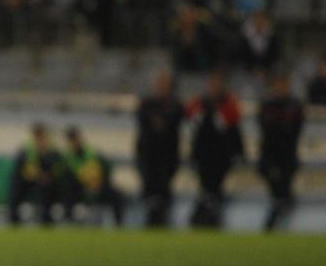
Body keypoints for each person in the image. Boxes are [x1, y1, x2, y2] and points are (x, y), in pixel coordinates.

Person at [187, 70, 244, 228]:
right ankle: (207, 217)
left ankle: (208, 217)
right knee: (207, 188)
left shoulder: (229, 105)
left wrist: (237, 153)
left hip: (221, 156)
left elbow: (233, 131)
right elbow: (194, 123)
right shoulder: (201, 104)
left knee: (213, 188)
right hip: (203, 154)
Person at [135, 69, 184, 227]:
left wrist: (159, 121)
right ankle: (151, 217)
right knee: (149, 187)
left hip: (167, 155)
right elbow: (144, 120)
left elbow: (172, 121)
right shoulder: (146, 103)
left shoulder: (175, 104)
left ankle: (163, 218)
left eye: (164, 84)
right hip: (148, 155)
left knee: (164, 188)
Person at [257, 72, 305, 231]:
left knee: (283, 183)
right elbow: (266, 130)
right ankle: (281, 203)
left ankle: (279, 209)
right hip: (271, 154)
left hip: (287, 154)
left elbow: (294, 130)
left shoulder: (294, 105)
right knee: (275, 181)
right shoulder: (268, 105)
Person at [60, 126, 124, 226]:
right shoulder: (68, 157)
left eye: (75, 138)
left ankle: (118, 224)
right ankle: (70, 221)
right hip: (80, 187)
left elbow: (105, 169)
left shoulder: (91, 152)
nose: (75, 142)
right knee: (67, 190)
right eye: (72, 140)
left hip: (99, 184)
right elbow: (69, 175)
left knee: (117, 195)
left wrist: (98, 182)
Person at [7, 123, 64, 226]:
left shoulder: (52, 149)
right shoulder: (27, 148)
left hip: (46, 182)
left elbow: (58, 167)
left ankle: (45, 218)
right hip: (29, 180)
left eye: (41, 134)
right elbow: (23, 166)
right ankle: (14, 217)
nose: (39, 137)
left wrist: (48, 175)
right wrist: (38, 175)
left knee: (48, 186)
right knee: (15, 183)